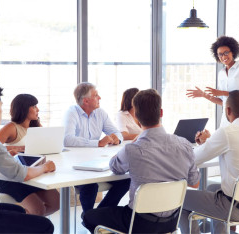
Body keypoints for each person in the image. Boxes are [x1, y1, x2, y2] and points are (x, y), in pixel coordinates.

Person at [82, 89, 200, 233]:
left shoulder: (132, 150)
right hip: (171, 222)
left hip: (139, 224)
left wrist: (131, 145)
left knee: (88, 216)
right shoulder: (185, 145)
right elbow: (194, 183)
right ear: (161, 113)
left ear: (136, 116)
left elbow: (115, 168)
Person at [179, 90, 239, 234]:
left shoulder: (227, 132)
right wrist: (210, 142)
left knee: (179, 199)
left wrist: (205, 144)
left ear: (227, 110)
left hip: (235, 208)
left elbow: (194, 159)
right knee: (212, 189)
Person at [0, 86, 55, 233]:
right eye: (1, 106)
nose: (3, 110)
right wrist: (45, 167)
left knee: (20, 212)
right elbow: (21, 174)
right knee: (46, 226)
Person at [63, 82, 130, 213]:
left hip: (98, 163)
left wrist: (117, 138)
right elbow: (67, 139)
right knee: (90, 186)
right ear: (86, 100)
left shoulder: (100, 113)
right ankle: (88, 217)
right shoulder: (71, 113)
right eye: (96, 95)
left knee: (126, 180)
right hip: (77, 166)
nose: (100, 98)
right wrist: (97, 143)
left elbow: (116, 132)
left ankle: (98, 214)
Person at [0, 94, 60, 216]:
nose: (38, 110)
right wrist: (19, 148)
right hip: (11, 179)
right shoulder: (11, 127)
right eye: (34, 106)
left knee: (57, 203)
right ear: (24, 108)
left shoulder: (36, 127)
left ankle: (30, 222)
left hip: (32, 176)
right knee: (38, 210)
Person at [186, 36, 239, 127]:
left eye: (226, 53)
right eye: (220, 54)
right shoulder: (221, 73)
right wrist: (203, 94)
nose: (223, 56)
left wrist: (222, 92)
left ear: (232, 52)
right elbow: (223, 102)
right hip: (226, 118)